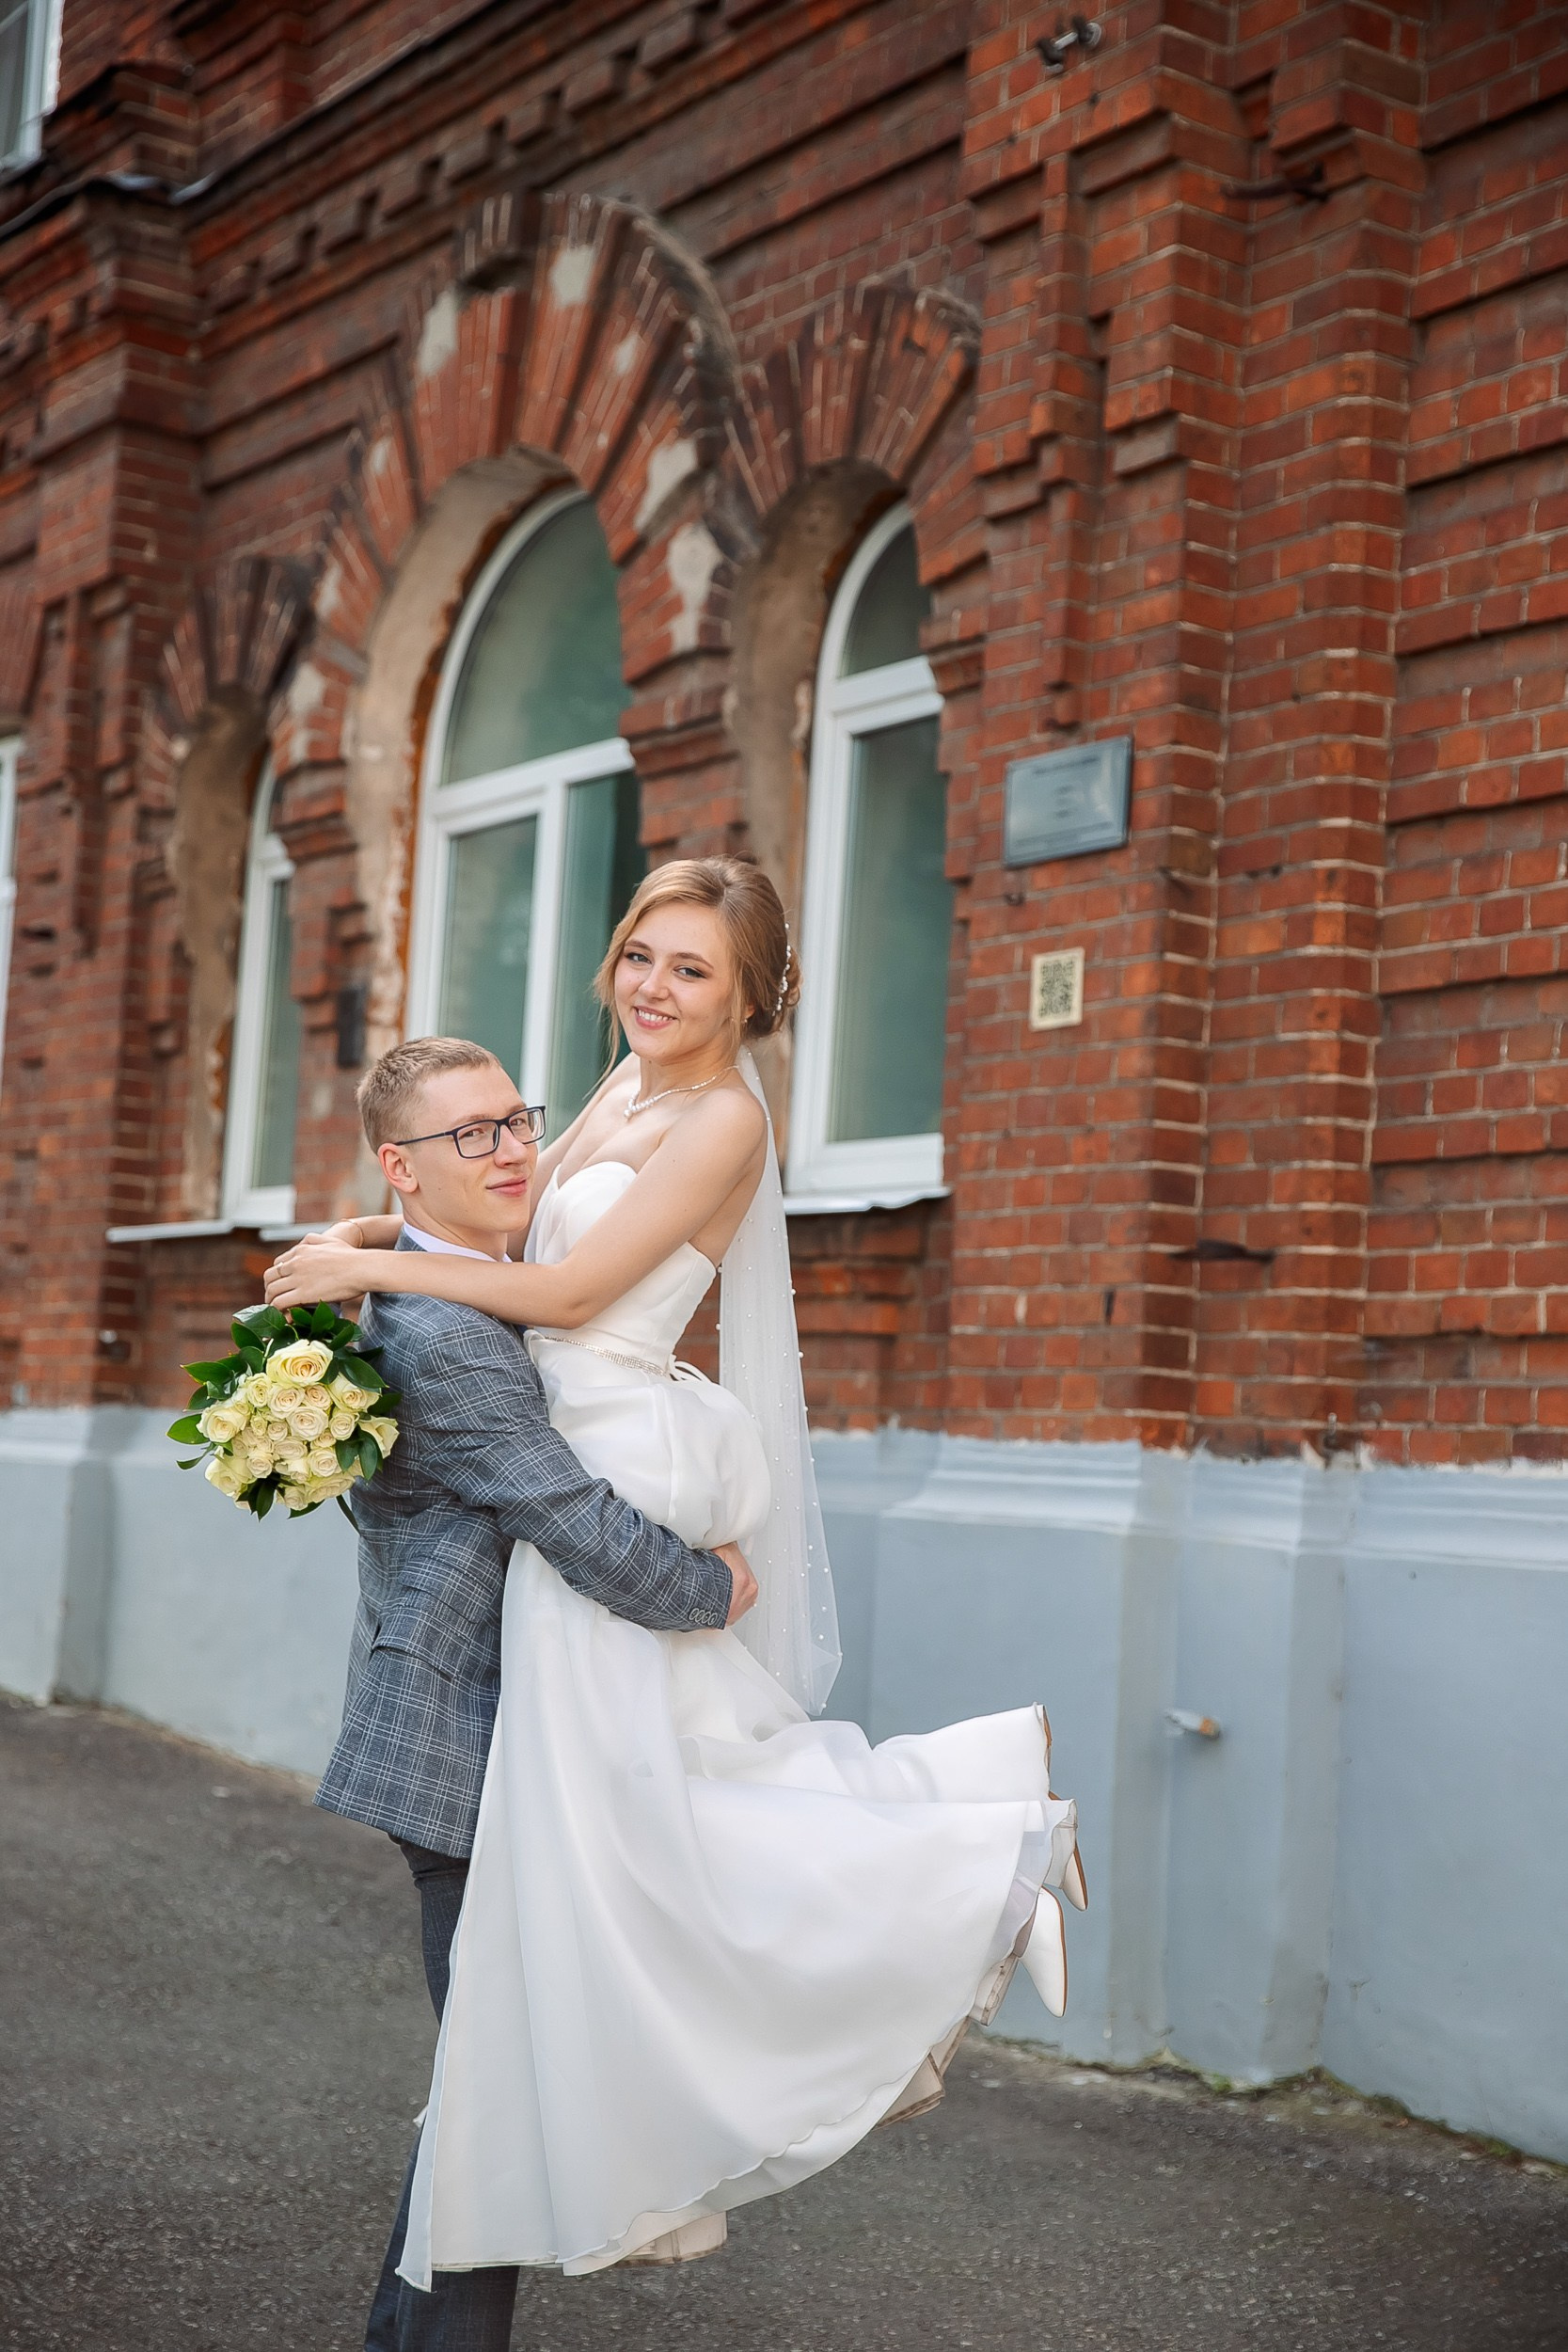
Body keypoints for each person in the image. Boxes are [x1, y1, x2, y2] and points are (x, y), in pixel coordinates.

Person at [269, 856, 1085, 2302]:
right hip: (564, 1422)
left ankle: (973, 1856)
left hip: (610, 1442)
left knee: (618, 1837)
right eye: (641, 955)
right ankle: (612, 2119)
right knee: (644, 1829)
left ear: (752, 992)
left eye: (692, 969)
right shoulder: (620, 1087)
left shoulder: (721, 1120)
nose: (653, 987)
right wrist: (367, 1235)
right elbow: (509, 1226)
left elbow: (572, 1294)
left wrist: (377, 1277)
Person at [309, 1028, 756, 2352]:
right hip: (469, 1742)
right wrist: (717, 1587)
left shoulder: (456, 1278)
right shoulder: (449, 1330)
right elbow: (566, 1517)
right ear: (402, 1168)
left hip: (511, 1726)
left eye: (517, 1122)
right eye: (472, 1136)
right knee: (499, 2113)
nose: (513, 1153)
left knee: (482, 2101)